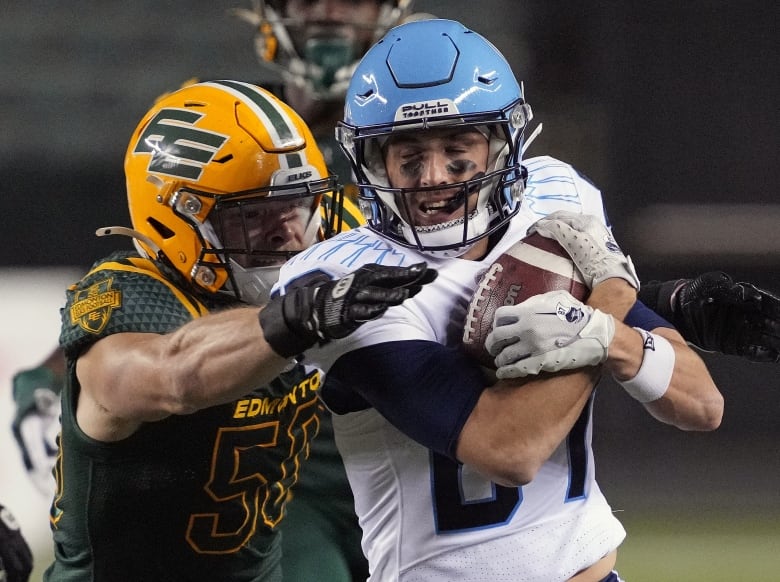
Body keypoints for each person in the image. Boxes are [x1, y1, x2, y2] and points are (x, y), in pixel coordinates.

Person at [273, 19, 725, 581]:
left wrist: (613, 338)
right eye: (407, 158)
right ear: (371, 161)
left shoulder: (549, 209)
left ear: (501, 148)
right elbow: (509, 450)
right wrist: (604, 305)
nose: (433, 178)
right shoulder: (353, 284)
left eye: (457, 155)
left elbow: (701, 403)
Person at [42, 79, 436, 582]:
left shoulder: (324, 248)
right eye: (255, 216)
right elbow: (173, 376)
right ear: (175, 220)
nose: (293, 235)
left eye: (297, 205)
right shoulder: (127, 296)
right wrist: (294, 317)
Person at [0, 502, 33, 582]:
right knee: (15, 570)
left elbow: (15, 528)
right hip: (5, 546)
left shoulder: (2, 508)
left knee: (27, 566)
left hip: (16, 542)